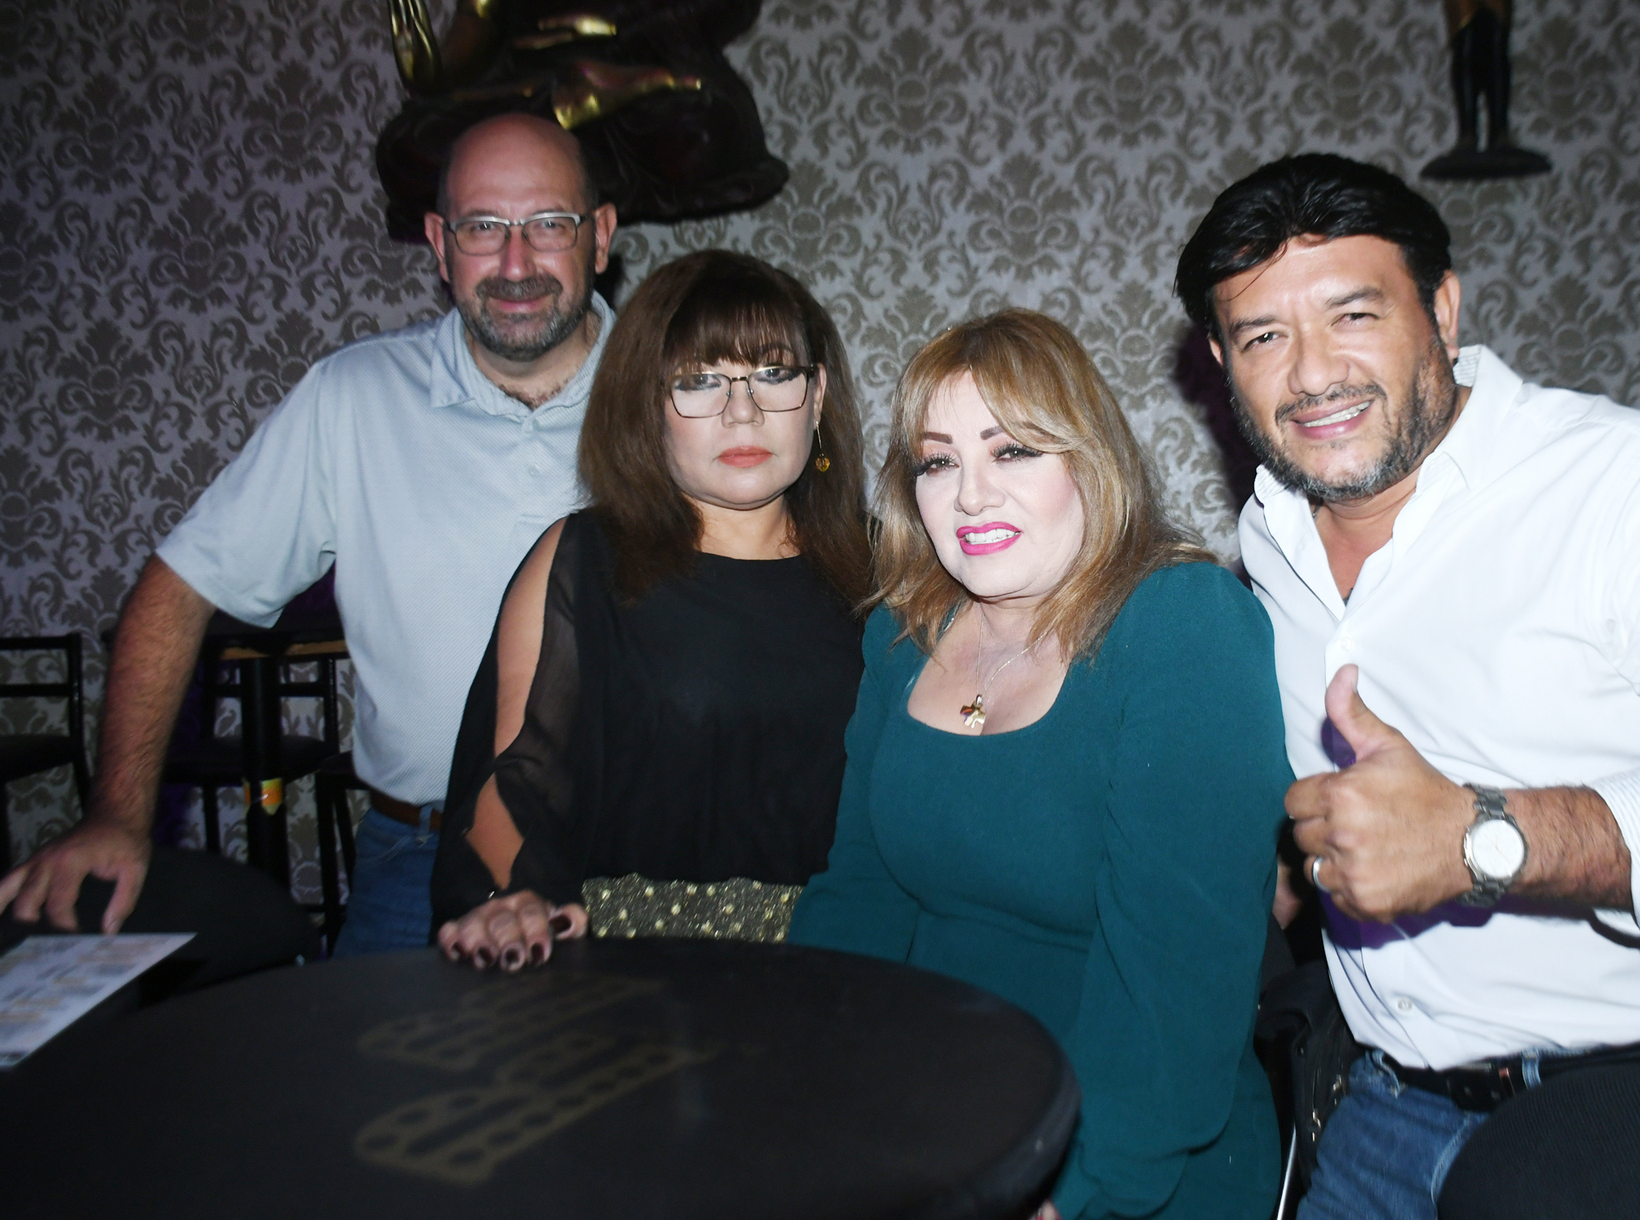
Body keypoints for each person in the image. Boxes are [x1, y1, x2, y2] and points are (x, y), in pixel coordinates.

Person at [1174, 153, 1640, 1219]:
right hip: (1381, 1115)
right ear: (1223, 362)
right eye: (1264, 336)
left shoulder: (1632, 487)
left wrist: (1484, 838)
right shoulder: (1269, 536)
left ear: (1442, 309)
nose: (1314, 374)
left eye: (1354, 314)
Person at [0, 113, 620, 956]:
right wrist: (116, 815)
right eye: (482, 227)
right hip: (417, 860)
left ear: (600, 236)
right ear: (439, 245)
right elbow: (177, 589)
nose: (516, 264)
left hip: (628, 857)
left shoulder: (680, 393)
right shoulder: (351, 399)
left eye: (548, 223)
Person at [788, 310, 1292, 1220]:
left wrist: (1072, 1188)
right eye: (938, 462)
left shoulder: (1182, 623)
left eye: (1012, 451)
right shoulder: (903, 633)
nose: (971, 497)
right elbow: (860, 898)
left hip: (1131, 1161)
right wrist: (799, 1081)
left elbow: (1179, 981)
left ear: (1088, 461)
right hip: (926, 1124)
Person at [432, 250, 869, 971]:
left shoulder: (892, 573)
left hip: (849, 973)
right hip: (638, 975)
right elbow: (517, 787)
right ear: (647, 406)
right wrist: (512, 901)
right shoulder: (582, 560)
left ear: (816, 397)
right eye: (699, 381)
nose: (743, 411)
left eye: (773, 373)